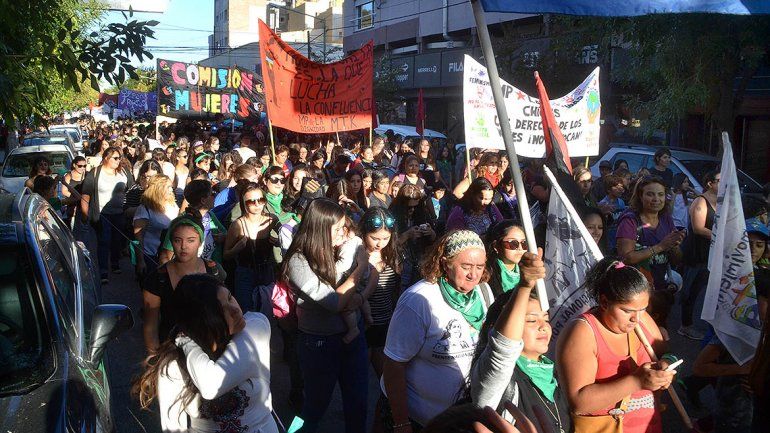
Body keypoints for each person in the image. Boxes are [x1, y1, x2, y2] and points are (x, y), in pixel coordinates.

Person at [134, 274, 278, 433]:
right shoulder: (174, 365)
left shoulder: (255, 327)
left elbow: (212, 386)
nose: (235, 310)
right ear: (201, 321)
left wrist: (183, 339)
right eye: (220, 310)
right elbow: (173, 427)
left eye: (230, 297)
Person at [382, 230, 493, 431]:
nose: (473, 275)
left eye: (480, 267)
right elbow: (393, 363)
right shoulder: (418, 300)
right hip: (417, 420)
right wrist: (401, 423)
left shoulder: (482, 293)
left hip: (459, 420)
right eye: (466, 266)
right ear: (445, 263)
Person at [556, 257, 676, 433]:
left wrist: (666, 366)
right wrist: (637, 381)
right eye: (627, 311)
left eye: (643, 309)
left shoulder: (641, 319)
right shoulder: (582, 332)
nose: (636, 319)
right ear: (604, 302)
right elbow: (579, 403)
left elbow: (666, 353)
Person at [281, 198, 369, 433]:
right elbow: (334, 302)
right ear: (320, 228)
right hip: (318, 343)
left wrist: (360, 297)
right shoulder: (298, 261)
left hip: (352, 339)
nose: (343, 232)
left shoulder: (341, 248)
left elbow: (368, 281)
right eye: (337, 228)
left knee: (358, 404)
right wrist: (360, 267)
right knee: (312, 408)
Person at [471, 249, 571, 433]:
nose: (543, 326)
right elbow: (503, 351)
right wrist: (524, 287)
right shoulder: (499, 380)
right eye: (531, 320)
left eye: (546, 319)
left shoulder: (557, 375)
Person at [142, 216, 226, 352]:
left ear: (200, 242)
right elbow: (151, 325)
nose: (183, 246)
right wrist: (154, 356)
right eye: (177, 240)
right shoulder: (157, 278)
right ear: (171, 242)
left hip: (208, 347)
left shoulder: (214, 270)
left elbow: (224, 311)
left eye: (191, 240)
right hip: (171, 349)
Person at [616, 176, 684, 293]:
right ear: (640, 196)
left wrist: (675, 245)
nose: (656, 199)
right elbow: (626, 258)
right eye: (650, 194)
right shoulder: (630, 220)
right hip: (635, 289)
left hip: (660, 288)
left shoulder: (665, 218)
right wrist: (661, 246)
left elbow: (677, 260)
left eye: (660, 194)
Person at [81, 146, 134, 283]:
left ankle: (115, 263)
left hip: (120, 213)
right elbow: (86, 194)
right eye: (115, 158)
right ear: (106, 158)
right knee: (104, 241)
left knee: (117, 240)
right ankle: (103, 271)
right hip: (102, 215)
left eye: (119, 158)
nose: (118, 160)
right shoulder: (95, 173)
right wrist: (85, 214)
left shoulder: (124, 172)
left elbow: (132, 189)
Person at [358, 207, 400, 379]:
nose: (380, 243)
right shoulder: (357, 256)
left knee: (384, 376)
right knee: (360, 375)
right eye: (374, 238)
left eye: (385, 238)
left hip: (385, 321)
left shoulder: (392, 255)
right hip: (363, 323)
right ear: (363, 233)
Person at [678, 170, 719, 340]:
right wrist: (720, 235)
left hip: (710, 253)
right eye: (720, 180)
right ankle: (685, 325)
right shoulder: (701, 201)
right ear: (710, 183)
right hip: (696, 253)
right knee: (690, 290)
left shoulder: (720, 202)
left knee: (703, 289)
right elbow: (698, 228)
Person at [223, 182, 277, 313]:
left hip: (267, 271)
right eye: (251, 202)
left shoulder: (272, 220)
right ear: (244, 203)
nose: (257, 205)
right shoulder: (238, 225)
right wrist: (237, 247)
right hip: (245, 273)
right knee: (246, 312)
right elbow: (226, 255)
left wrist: (277, 242)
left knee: (268, 310)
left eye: (261, 200)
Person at [390, 184, 437, 288]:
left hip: (419, 263)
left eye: (416, 206)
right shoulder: (393, 216)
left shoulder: (421, 214)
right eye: (409, 207)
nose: (412, 210)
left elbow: (434, 240)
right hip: (401, 264)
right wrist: (407, 235)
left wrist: (430, 233)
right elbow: (389, 245)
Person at [133, 175, 179, 278]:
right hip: (151, 256)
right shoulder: (145, 209)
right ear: (158, 188)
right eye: (168, 187)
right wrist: (140, 261)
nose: (171, 190)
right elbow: (138, 237)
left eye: (171, 186)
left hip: (170, 255)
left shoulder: (172, 204)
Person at [484, 221, 527, 297]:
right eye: (513, 243)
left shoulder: (529, 270)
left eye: (524, 243)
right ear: (496, 246)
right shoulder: (486, 273)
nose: (520, 248)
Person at [598, 174, 627, 250]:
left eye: (622, 187)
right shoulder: (603, 204)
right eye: (617, 187)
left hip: (618, 238)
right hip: (608, 239)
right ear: (608, 189)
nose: (621, 189)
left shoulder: (621, 202)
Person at [61, 156, 87, 226]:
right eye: (80, 166)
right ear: (74, 165)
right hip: (72, 205)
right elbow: (64, 191)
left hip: (84, 204)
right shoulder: (69, 175)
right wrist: (75, 198)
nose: (82, 168)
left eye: (84, 166)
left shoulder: (87, 175)